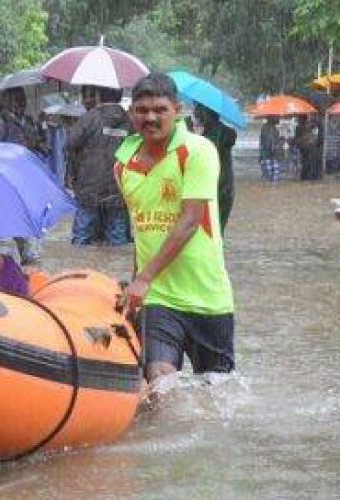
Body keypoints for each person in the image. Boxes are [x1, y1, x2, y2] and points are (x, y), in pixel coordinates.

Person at [113, 72, 235, 384]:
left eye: (160, 110)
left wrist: (143, 278)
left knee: (217, 391)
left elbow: (190, 220)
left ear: (177, 111)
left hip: (208, 296)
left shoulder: (197, 151)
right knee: (159, 383)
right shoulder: (122, 165)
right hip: (158, 298)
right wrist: (136, 286)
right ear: (131, 113)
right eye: (142, 110)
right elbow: (141, 231)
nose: (150, 118)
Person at [66, 85, 131, 246]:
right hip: (120, 187)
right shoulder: (129, 121)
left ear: (98, 95)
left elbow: (70, 143)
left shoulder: (90, 118)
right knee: (118, 241)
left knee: (82, 238)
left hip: (89, 187)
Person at [0, 86, 42, 265]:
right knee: (13, 222)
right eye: (17, 100)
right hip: (7, 179)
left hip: (23, 177)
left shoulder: (25, 122)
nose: (21, 103)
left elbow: (36, 144)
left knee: (22, 221)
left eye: (22, 100)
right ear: (7, 101)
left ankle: (25, 259)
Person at [192, 105, 237, 232]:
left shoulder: (206, 135)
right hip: (225, 188)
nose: (195, 114)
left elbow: (202, 155)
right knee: (216, 229)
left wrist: (197, 136)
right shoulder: (227, 132)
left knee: (209, 229)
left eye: (199, 111)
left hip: (215, 188)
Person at [258, 117, 284, 182]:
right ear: (272, 118)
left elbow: (265, 143)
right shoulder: (268, 128)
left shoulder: (270, 128)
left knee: (270, 176)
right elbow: (270, 142)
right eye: (277, 117)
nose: (279, 119)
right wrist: (280, 142)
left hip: (269, 155)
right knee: (272, 176)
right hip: (270, 155)